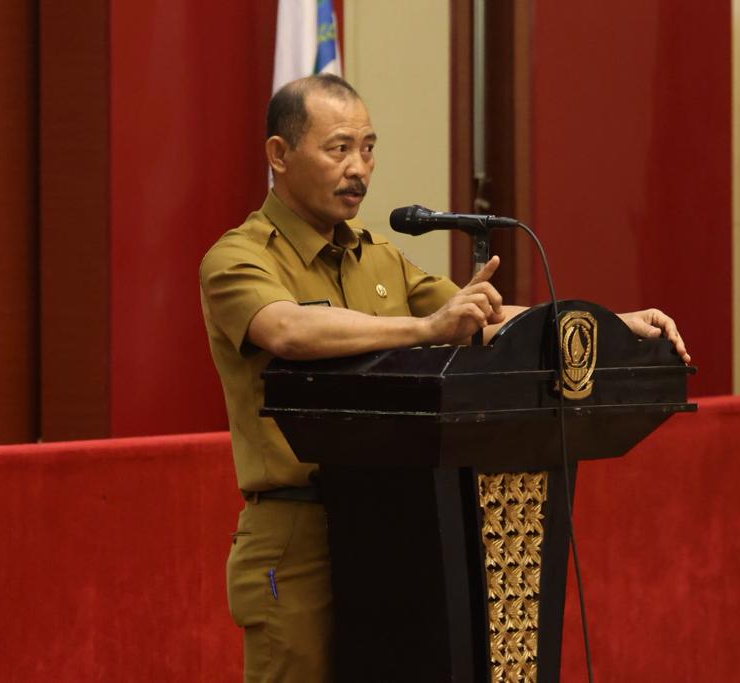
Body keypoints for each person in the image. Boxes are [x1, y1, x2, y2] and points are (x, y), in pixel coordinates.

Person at [199, 73, 690, 683]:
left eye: (369, 148)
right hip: (299, 533)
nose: (359, 168)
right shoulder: (238, 257)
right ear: (279, 154)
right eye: (339, 149)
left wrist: (613, 325)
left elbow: (479, 318)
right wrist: (424, 328)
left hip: (395, 528)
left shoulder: (377, 255)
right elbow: (288, 330)